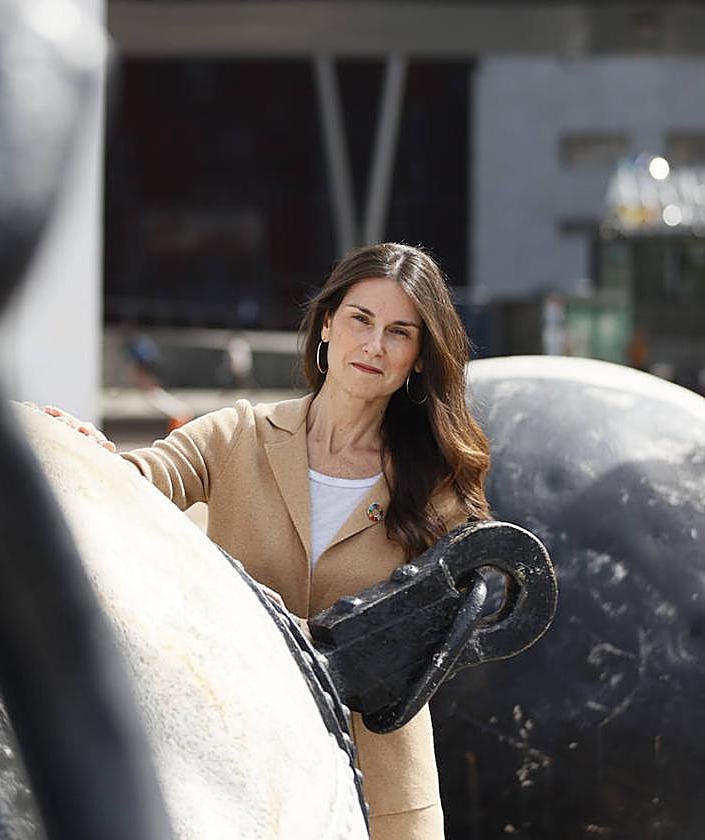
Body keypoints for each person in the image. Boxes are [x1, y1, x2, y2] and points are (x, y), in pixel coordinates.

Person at [46, 242, 490, 840]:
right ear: (327, 324)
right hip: (235, 779)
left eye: (399, 332)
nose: (374, 345)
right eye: (361, 319)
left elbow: (452, 630)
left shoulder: (436, 484)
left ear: (417, 357)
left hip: (380, 793)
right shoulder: (239, 435)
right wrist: (82, 449)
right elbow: (142, 480)